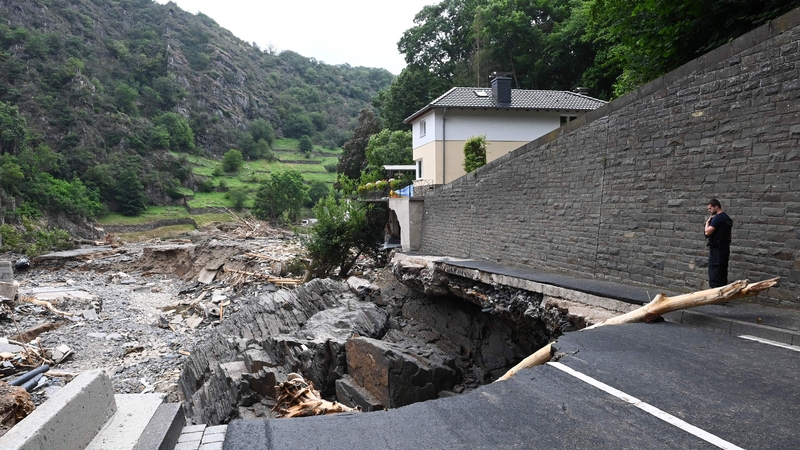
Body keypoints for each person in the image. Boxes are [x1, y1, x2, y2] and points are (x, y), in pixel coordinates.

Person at [704, 199, 733, 288]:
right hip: (725, 248)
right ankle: (722, 292)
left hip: (716, 249)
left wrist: (707, 222)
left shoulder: (717, 218)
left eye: (710, 208)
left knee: (714, 270)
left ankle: (715, 293)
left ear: (716, 207)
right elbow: (729, 235)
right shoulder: (728, 219)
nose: (709, 210)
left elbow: (707, 233)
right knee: (723, 270)